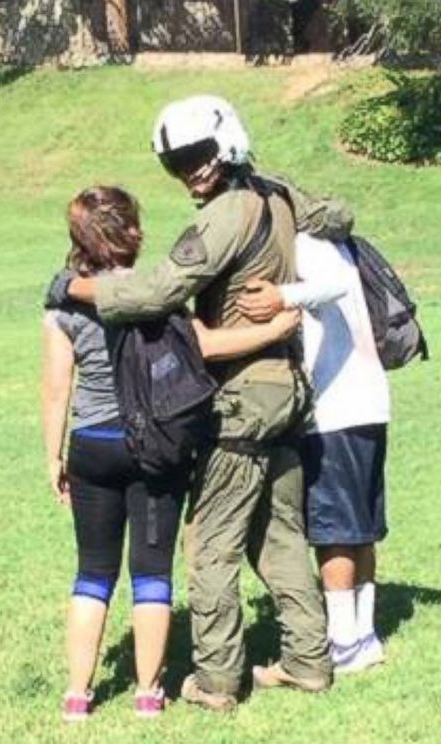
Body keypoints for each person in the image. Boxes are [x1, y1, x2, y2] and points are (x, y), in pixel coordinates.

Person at [45, 96, 355, 710]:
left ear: (226, 144)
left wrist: (75, 286)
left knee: (211, 544)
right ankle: (308, 661)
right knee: (279, 535)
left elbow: (160, 291)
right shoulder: (278, 193)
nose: (189, 171)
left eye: (196, 155)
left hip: (239, 398)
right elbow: (341, 215)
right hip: (288, 392)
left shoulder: (225, 215)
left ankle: (215, 682)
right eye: (175, 162)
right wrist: (295, 292)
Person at [42, 185, 305, 722]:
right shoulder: (153, 291)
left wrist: (54, 456)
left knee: (92, 573)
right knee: (151, 572)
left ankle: (77, 695)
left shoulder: (64, 299)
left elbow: (55, 385)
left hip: (91, 445)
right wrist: (275, 329)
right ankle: (147, 693)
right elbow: (204, 346)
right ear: (131, 233)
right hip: (154, 446)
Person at [238, 232, 392, 673]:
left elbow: (338, 283)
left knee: (335, 529)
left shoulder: (303, 244)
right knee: (359, 527)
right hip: (367, 401)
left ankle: (343, 642)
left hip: (335, 409)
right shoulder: (333, 240)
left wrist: (281, 296)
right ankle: (363, 636)